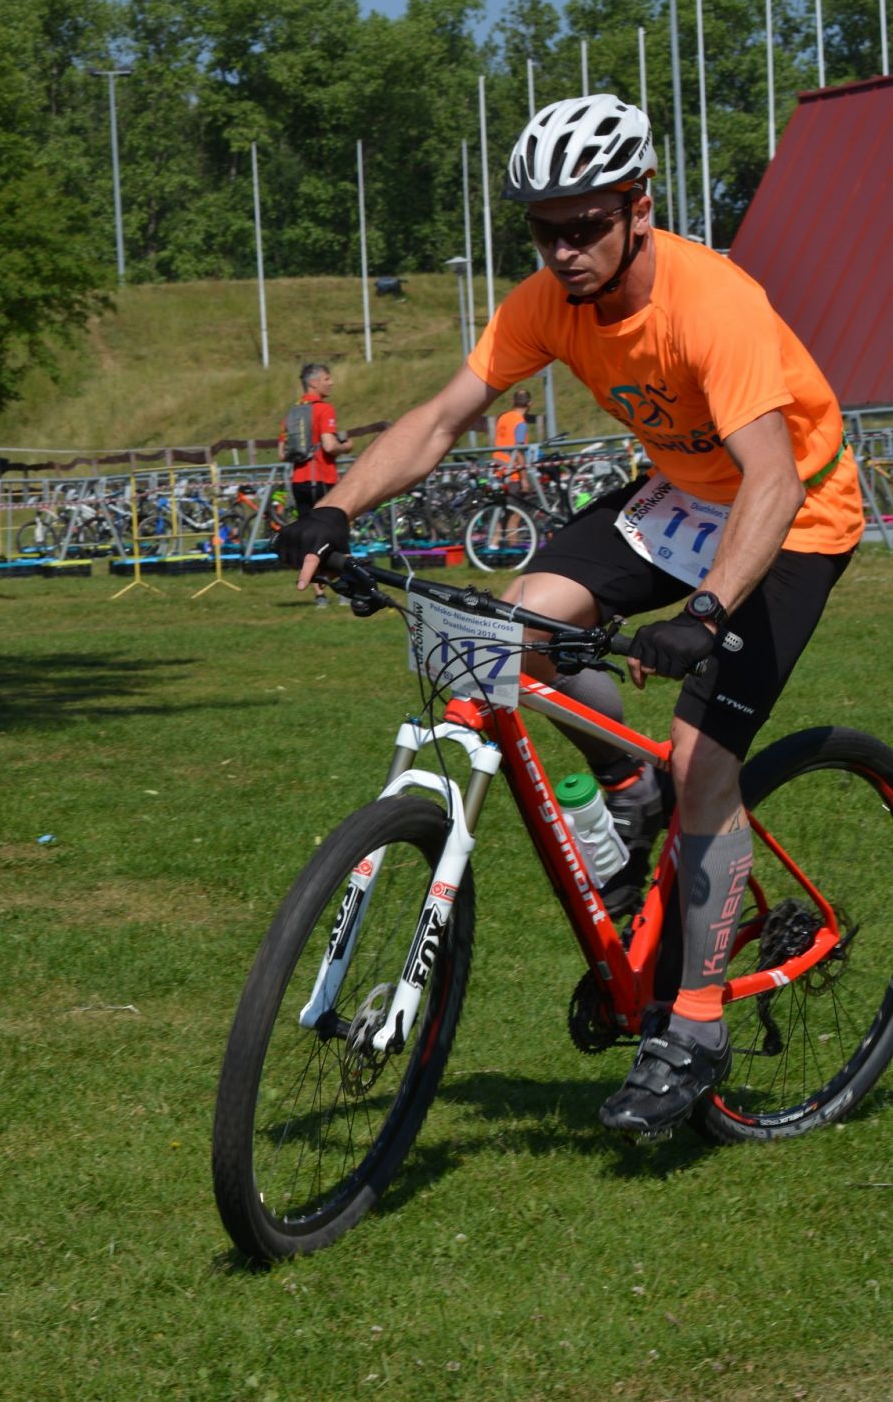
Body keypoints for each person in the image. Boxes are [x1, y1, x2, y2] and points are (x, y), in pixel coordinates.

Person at [278, 94, 864, 1135]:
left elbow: (772, 480)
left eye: (586, 224)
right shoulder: (547, 301)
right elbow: (440, 419)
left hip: (794, 512)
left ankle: (694, 1026)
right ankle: (627, 791)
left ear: (640, 207)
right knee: (515, 630)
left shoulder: (711, 303)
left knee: (704, 757)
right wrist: (336, 507)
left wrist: (707, 611)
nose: (563, 250)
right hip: (685, 498)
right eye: (544, 230)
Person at [279, 363, 353, 606]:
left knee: (310, 538)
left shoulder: (292, 413)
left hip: (299, 481)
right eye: (327, 379)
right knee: (338, 535)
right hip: (322, 479)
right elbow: (329, 445)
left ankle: (319, 596)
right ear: (314, 383)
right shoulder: (324, 409)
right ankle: (344, 589)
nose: (331, 383)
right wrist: (346, 447)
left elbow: (282, 453)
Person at [492, 387, 533, 485]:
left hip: (498, 468)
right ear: (530, 403)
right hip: (513, 473)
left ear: (513, 401)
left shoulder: (503, 417)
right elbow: (519, 452)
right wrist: (524, 480)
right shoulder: (520, 423)